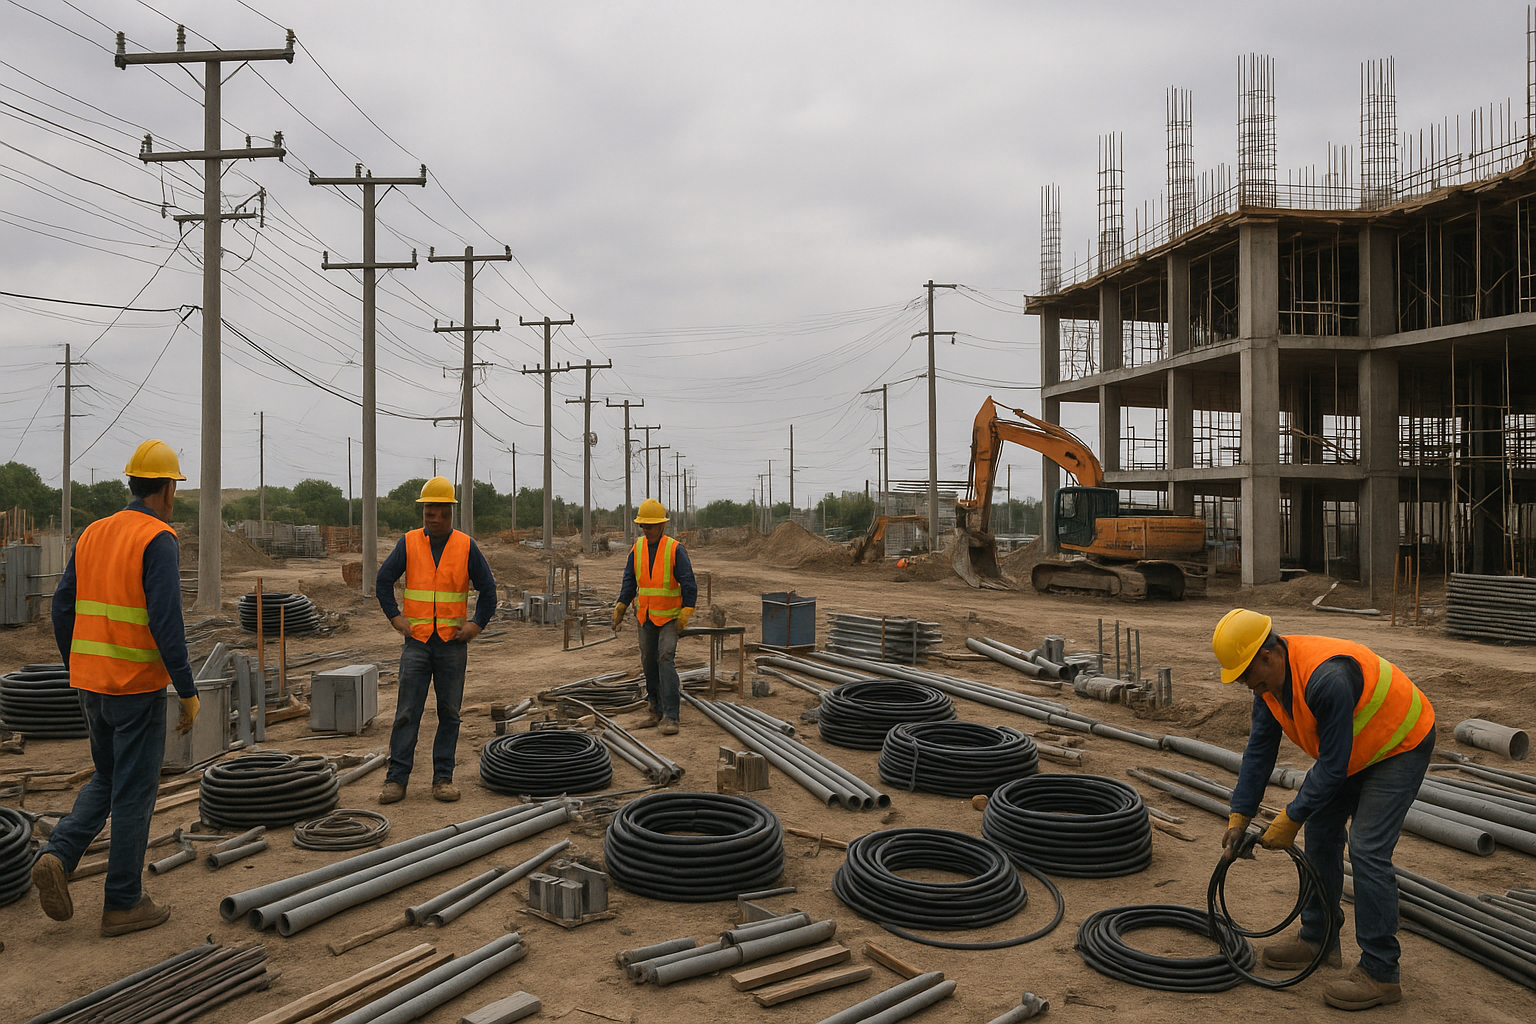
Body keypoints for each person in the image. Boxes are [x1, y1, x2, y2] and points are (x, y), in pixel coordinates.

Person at [1212, 608, 1435, 1011]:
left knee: (1367, 848)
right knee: (1322, 831)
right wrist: (1239, 813)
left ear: (1269, 654)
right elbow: (1260, 750)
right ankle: (1319, 938)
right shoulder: (1269, 688)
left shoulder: (1325, 678)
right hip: (1355, 749)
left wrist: (1291, 817)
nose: (1247, 685)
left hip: (1399, 743)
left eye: (1247, 674)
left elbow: (1332, 766)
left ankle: (1381, 972)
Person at [33, 439, 200, 937]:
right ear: (167, 488)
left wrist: (79, 663)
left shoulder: (93, 533)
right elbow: (167, 623)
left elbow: (62, 608)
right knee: (133, 792)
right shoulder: (158, 539)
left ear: (132, 482)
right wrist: (188, 691)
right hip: (136, 687)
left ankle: (58, 855)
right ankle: (124, 901)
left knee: (106, 778)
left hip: (92, 685)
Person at [375, 476, 497, 804]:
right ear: (423, 511)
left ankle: (443, 778)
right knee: (406, 711)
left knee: (450, 713)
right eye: (429, 509)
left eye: (441, 511)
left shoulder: (466, 546)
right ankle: (396, 779)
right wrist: (395, 617)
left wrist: (476, 625)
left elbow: (489, 590)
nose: (434, 516)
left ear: (451, 513)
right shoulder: (409, 543)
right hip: (416, 642)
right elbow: (383, 580)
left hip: (452, 644)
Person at [612, 499, 697, 735]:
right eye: (643, 526)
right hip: (645, 617)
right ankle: (654, 709)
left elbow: (689, 584)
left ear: (662, 526)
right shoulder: (637, 549)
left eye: (650, 526)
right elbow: (629, 582)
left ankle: (671, 716)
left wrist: (686, 612)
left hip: (669, 617)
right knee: (648, 662)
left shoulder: (675, 549)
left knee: (664, 660)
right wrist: (621, 606)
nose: (646, 530)